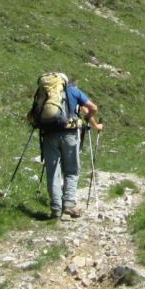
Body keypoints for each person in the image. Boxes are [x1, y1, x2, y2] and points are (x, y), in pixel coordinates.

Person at [28, 71, 101, 219]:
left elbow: (32, 116)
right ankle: (68, 205)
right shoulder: (73, 90)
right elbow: (92, 107)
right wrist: (87, 118)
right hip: (70, 134)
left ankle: (55, 209)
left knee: (53, 172)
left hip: (49, 135)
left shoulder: (46, 93)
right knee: (71, 170)